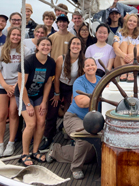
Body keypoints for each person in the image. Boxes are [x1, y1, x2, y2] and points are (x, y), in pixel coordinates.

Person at [46, 58, 101, 180]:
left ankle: (56, 150)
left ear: (96, 67)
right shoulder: (79, 82)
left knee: (89, 156)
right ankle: (76, 168)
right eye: (87, 65)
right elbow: (81, 102)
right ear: (83, 69)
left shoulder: (101, 81)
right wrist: (100, 94)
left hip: (93, 122)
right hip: (74, 118)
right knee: (85, 136)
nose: (90, 67)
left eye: (92, 65)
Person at [15, 37, 55, 166]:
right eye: (43, 45)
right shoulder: (27, 61)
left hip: (38, 95)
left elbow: (49, 83)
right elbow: (21, 86)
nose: (45, 47)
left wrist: (44, 102)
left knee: (41, 121)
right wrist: (27, 105)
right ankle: (24, 154)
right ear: (37, 46)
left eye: (48, 45)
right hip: (23, 95)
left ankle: (35, 151)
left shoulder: (51, 62)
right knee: (31, 123)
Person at [42, 37, 85, 150]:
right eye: (73, 43)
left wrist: (74, 94)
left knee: (70, 110)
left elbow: (80, 78)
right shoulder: (61, 58)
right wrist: (57, 93)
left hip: (73, 87)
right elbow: (56, 78)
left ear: (81, 47)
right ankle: (48, 136)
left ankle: (69, 133)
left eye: (78, 44)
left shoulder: (83, 60)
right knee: (53, 110)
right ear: (70, 46)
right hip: (59, 85)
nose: (75, 46)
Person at [0, 27, 30, 157]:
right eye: (14, 34)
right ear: (9, 35)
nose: (16, 37)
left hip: (18, 85)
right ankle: (1, 143)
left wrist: (15, 86)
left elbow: (25, 71)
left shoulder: (25, 51)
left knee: (13, 113)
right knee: (1, 115)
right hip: (3, 84)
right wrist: (5, 85)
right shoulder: (1, 50)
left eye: (18, 35)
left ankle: (11, 142)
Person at [113, 14, 139, 82]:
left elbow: (138, 50)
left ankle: (130, 71)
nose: (132, 23)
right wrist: (125, 56)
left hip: (133, 62)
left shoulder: (138, 36)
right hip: (119, 63)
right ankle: (125, 70)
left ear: (137, 24)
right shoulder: (119, 33)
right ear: (126, 22)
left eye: (134, 22)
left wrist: (131, 56)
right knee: (124, 43)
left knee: (132, 46)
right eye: (130, 20)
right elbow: (115, 48)